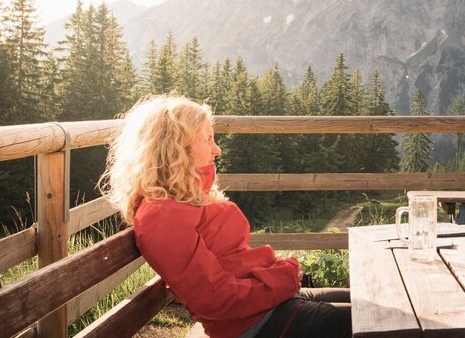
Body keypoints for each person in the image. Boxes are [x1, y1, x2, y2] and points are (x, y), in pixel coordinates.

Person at [100, 94, 351, 338]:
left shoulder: (182, 197)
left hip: (261, 308)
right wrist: (282, 277)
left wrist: (278, 273)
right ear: (177, 147)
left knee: (371, 301)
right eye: (208, 139)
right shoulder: (162, 216)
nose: (217, 149)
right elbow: (215, 299)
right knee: (378, 321)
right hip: (252, 324)